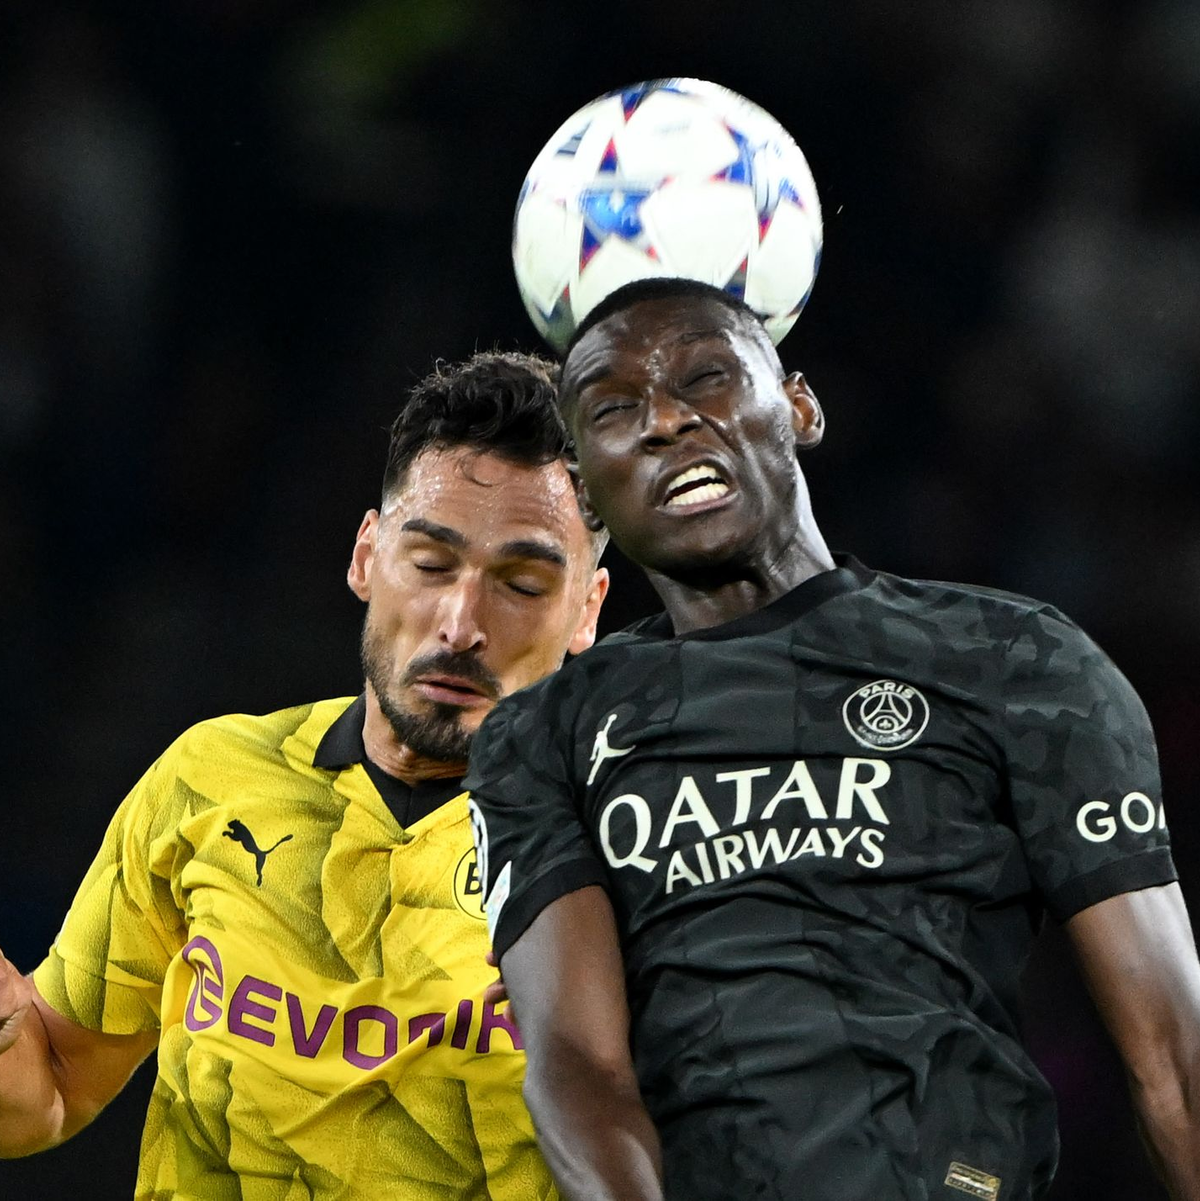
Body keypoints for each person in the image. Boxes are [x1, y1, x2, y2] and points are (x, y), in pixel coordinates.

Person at [464, 279, 1200, 1201]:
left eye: (706, 375)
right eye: (614, 408)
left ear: (800, 406)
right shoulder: (544, 734)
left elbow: (1173, 1054)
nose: (664, 420)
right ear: (586, 490)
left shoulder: (1015, 660)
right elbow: (577, 1067)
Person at [0, 351, 609, 1197]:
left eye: (522, 582)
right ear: (366, 555)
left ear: (588, 608)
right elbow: (51, 1092)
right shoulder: (207, 779)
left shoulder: (625, 845)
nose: (461, 622)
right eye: (431, 563)